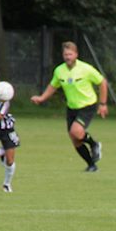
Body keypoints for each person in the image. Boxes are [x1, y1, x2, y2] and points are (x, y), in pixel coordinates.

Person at [31, 41, 107, 172]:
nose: (68, 57)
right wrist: (42, 98)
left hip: (87, 105)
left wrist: (103, 104)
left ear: (76, 54)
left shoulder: (86, 69)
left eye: (70, 54)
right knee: (75, 139)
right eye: (65, 54)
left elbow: (102, 82)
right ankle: (92, 165)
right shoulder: (59, 70)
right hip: (71, 108)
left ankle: (94, 144)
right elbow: (53, 86)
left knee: (76, 132)